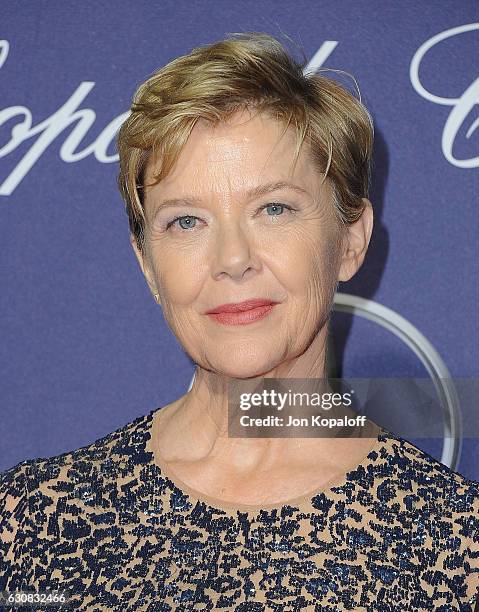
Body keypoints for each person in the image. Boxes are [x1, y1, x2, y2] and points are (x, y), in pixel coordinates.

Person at [1, 32, 478, 611]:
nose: (231, 259)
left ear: (350, 239)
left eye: (273, 209)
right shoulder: (33, 520)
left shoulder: (455, 543)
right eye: (186, 222)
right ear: (147, 263)